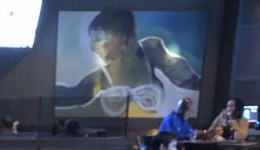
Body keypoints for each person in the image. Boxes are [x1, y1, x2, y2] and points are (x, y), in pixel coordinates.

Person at [54, 10, 200, 117]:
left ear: (123, 36)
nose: (93, 47)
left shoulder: (151, 50)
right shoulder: (100, 76)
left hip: (154, 136)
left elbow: (192, 81)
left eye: (98, 39)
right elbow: (71, 95)